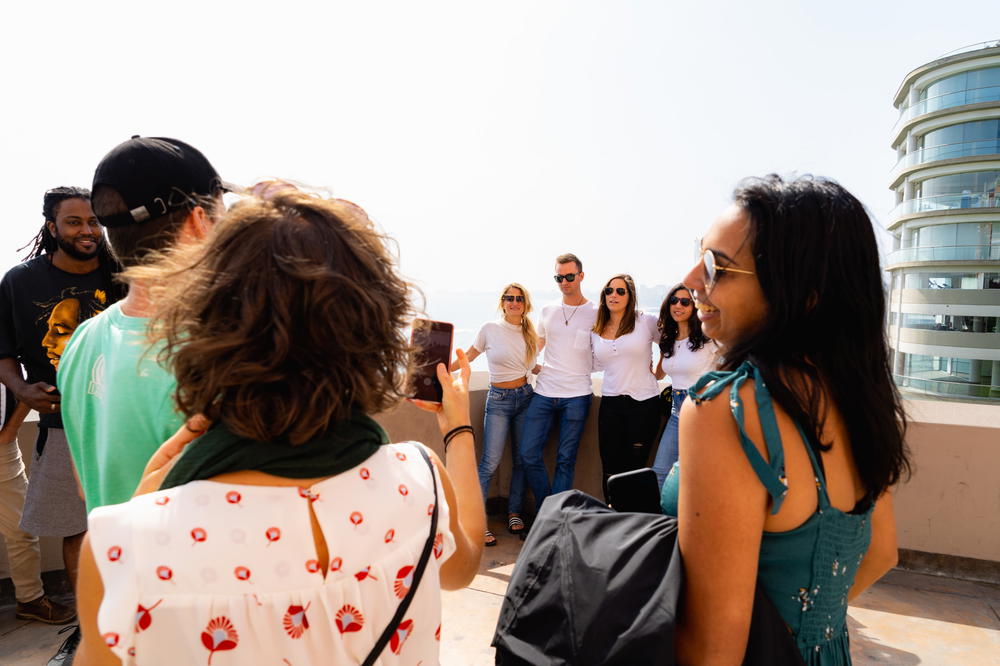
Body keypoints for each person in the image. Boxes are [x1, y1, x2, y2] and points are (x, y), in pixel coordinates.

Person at [74, 186, 484, 665]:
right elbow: (463, 566)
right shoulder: (422, 481)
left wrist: (145, 511)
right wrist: (458, 433)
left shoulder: (124, 547)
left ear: (201, 327)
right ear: (373, 329)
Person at [665, 175, 909, 664]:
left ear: (802, 294)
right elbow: (882, 552)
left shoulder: (728, 409)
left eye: (717, 266)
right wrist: (803, 632)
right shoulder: (861, 398)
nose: (692, 280)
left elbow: (712, 652)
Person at [60, 136, 225, 513]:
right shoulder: (218, 351)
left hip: (114, 566)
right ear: (199, 221)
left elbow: (88, 487)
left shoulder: (83, 340)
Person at [0, 186, 121, 660]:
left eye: (94, 222)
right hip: (62, 425)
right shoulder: (20, 282)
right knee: (77, 530)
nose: (87, 231)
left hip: (123, 416)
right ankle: (91, 622)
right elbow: (5, 354)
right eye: (74, 222)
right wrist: (24, 391)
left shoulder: (124, 275)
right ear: (52, 227)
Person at [453, 283, 537, 545]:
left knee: (522, 460)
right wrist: (441, 370)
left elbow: (533, 367)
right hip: (499, 401)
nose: (514, 302)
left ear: (525, 303)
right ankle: (478, 521)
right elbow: (468, 356)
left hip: (525, 398)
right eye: (509, 298)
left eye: (519, 298)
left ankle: (514, 512)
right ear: (502, 302)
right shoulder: (489, 329)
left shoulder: (530, 332)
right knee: (490, 462)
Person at [519, 253, 598, 512]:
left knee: (565, 460)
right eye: (559, 277)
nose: (564, 282)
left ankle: (554, 518)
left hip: (577, 396)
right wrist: (526, 363)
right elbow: (537, 344)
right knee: (528, 454)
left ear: (581, 276)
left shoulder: (596, 313)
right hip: (544, 391)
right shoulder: (548, 310)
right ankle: (548, 511)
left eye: (569, 276)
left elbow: (607, 348)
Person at [590, 274, 660, 500]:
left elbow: (672, 345)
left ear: (630, 297)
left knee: (635, 467)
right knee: (609, 466)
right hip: (610, 403)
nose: (614, 295)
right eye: (609, 291)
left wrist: (659, 371)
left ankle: (632, 522)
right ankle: (612, 519)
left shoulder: (646, 321)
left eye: (621, 291)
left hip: (643, 404)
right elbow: (595, 363)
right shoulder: (597, 328)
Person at [650, 283, 715, 489]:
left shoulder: (709, 339)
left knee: (695, 474)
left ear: (695, 306)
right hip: (676, 411)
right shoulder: (668, 338)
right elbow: (660, 374)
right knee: (660, 472)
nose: (678, 305)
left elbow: (730, 366)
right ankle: (664, 522)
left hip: (702, 410)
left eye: (685, 302)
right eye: (674, 301)